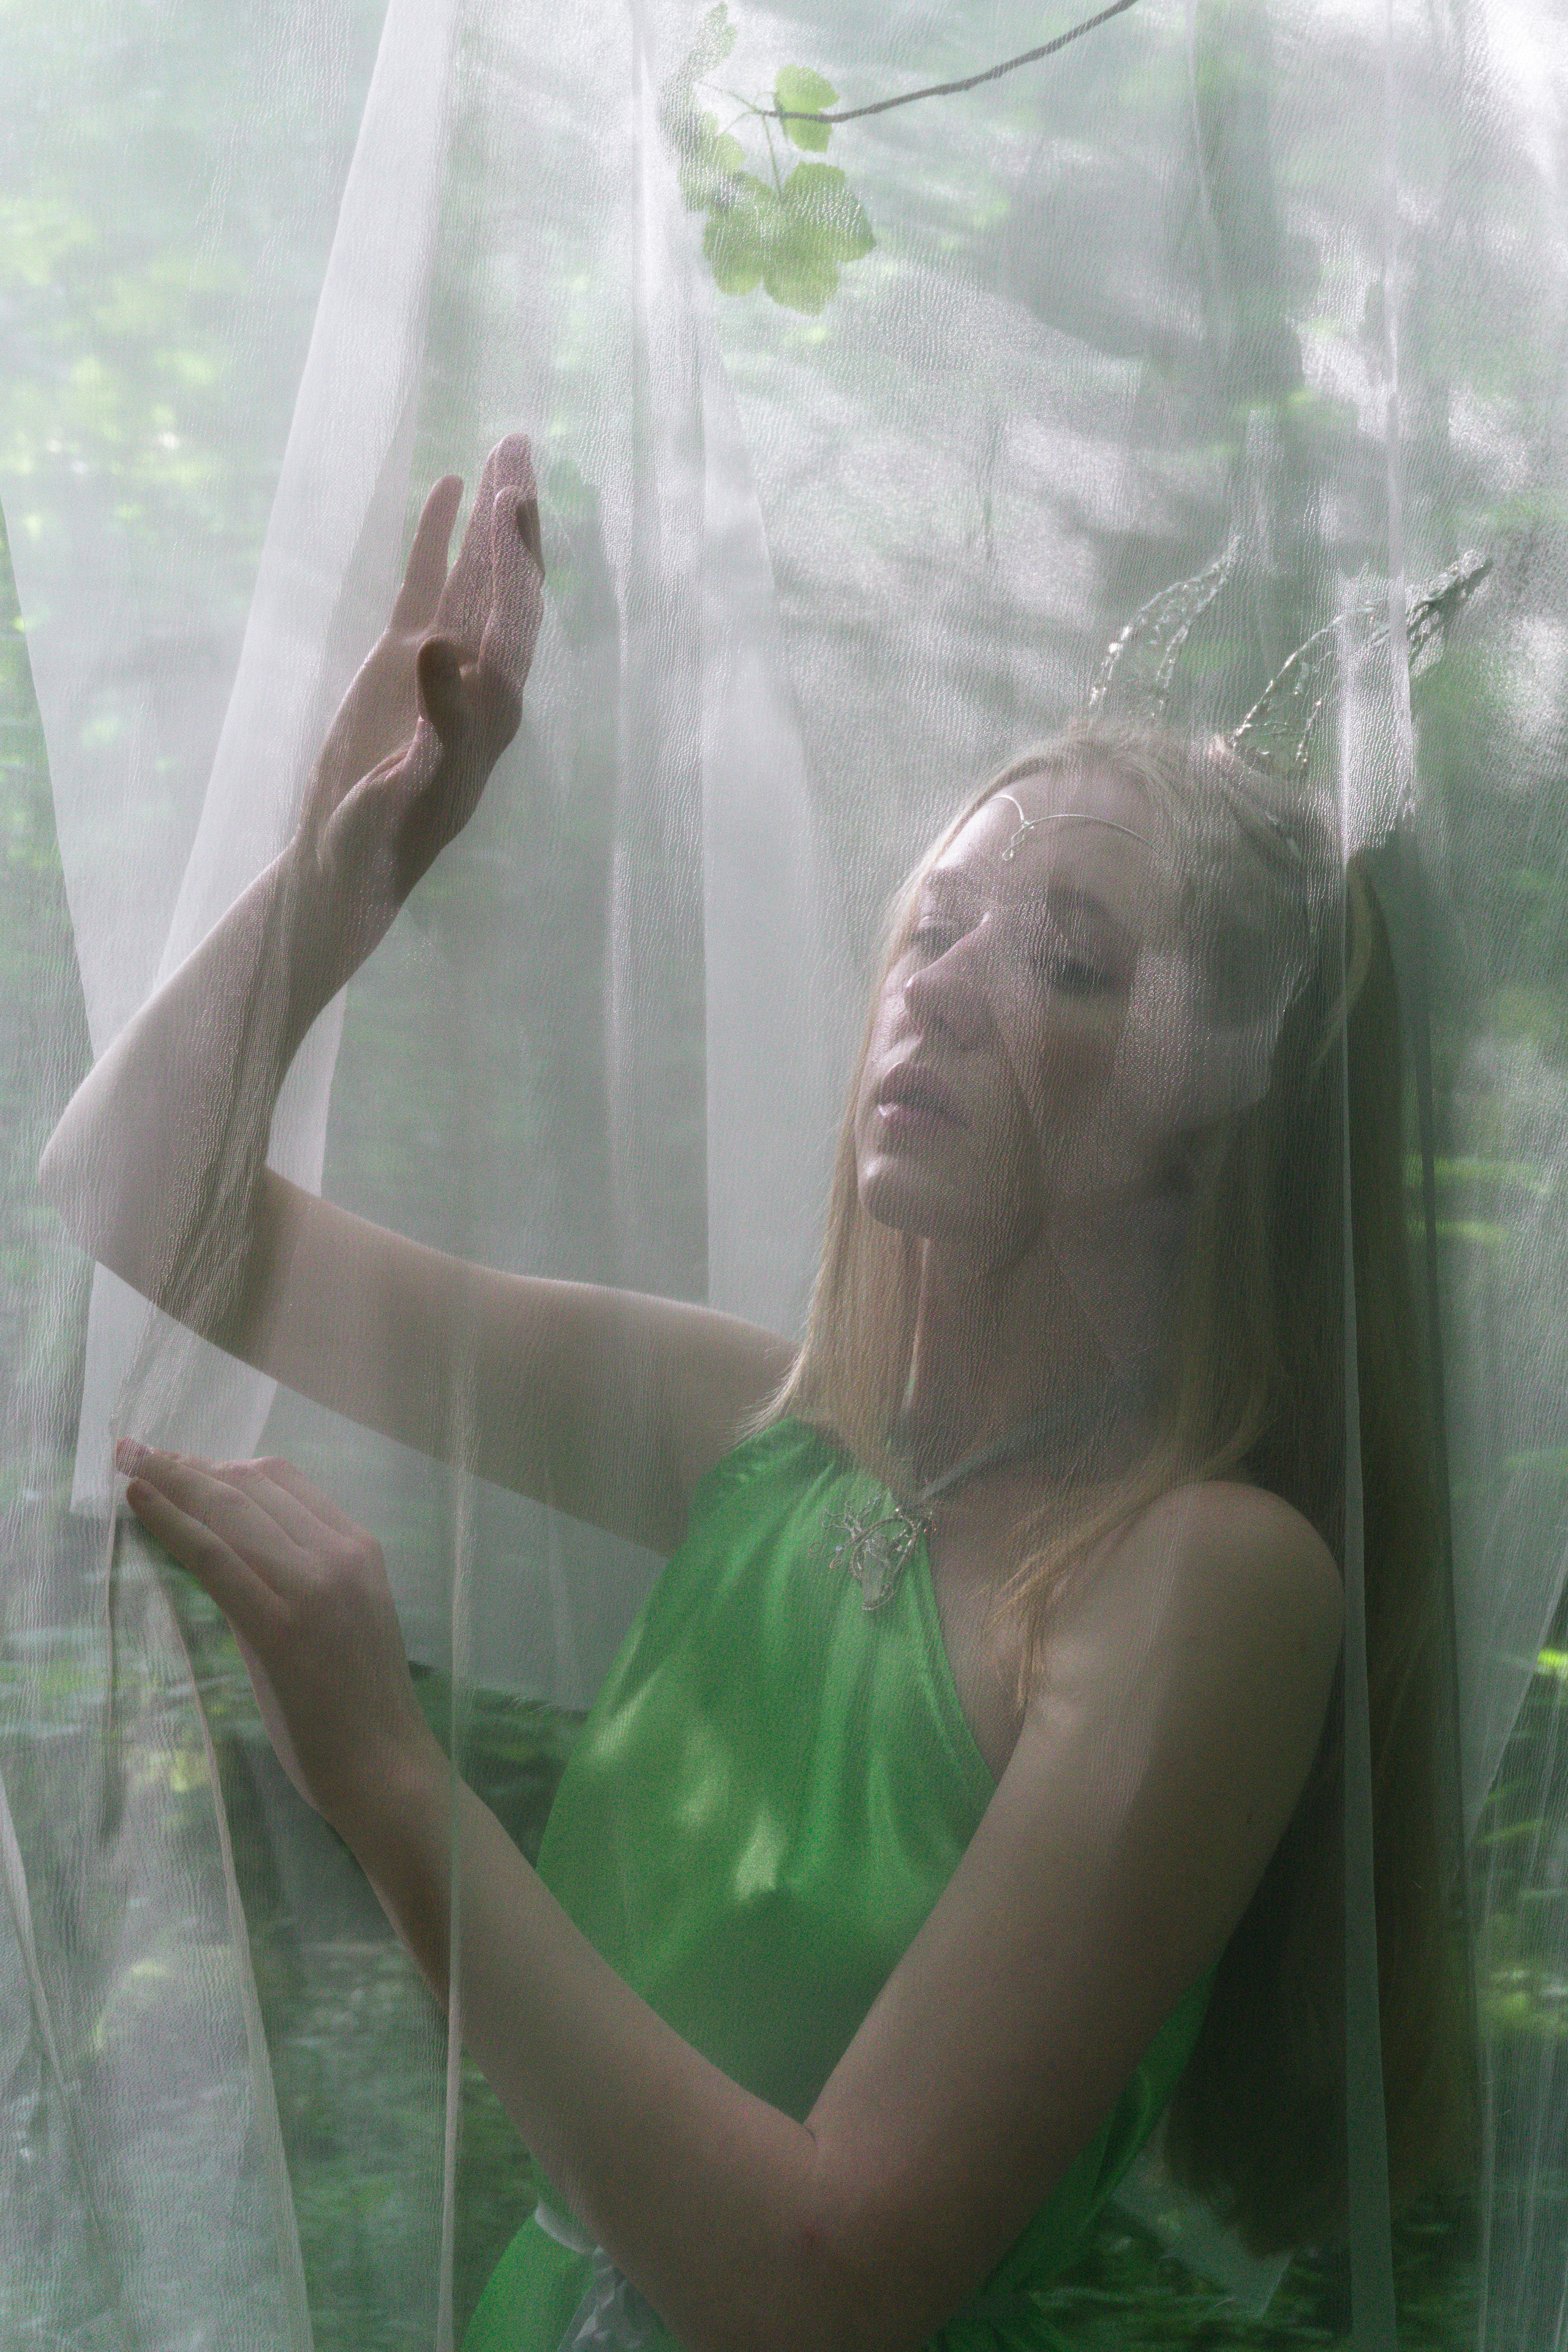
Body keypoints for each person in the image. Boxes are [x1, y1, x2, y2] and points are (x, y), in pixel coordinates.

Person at [39, 436, 1468, 2350]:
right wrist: (349, 860)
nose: (940, 987)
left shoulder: (1203, 1577)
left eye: (1067, 959)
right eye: (933, 924)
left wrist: (383, 1771)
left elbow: (828, 2283)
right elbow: (142, 1194)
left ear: (1226, 1094)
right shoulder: (767, 1436)